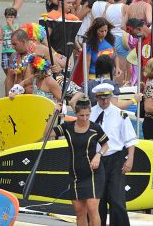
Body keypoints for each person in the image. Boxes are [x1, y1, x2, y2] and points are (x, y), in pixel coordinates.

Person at [87, 84, 137, 226]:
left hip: (115, 158)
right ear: (96, 98)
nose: (105, 101)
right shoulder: (89, 113)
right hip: (96, 159)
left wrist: (130, 159)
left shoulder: (120, 114)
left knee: (117, 199)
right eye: (102, 98)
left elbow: (129, 139)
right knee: (98, 199)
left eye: (108, 98)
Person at [55, 96, 108, 226]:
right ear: (76, 114)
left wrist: (98, 155)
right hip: (76, 174)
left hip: (93, 173)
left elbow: (106, 145)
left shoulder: (95, 128)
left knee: (92, 208)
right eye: (81, 115)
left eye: (87, 115)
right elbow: (47, 134)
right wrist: (54, 113)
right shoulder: (67, 127)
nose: (84, 118)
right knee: (79, 212)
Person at [0, 7, 18, 76]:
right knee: (4, 66)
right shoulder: (3, 27)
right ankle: (8, 76)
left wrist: (10, 25)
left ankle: (12, 78)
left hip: (14, 50)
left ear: (15, 17)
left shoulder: (16, 26)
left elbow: (16, 34)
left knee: (14, 66)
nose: (9, 19)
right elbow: (0, 38)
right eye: (8, 17)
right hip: (5, 50)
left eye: (11, 17)